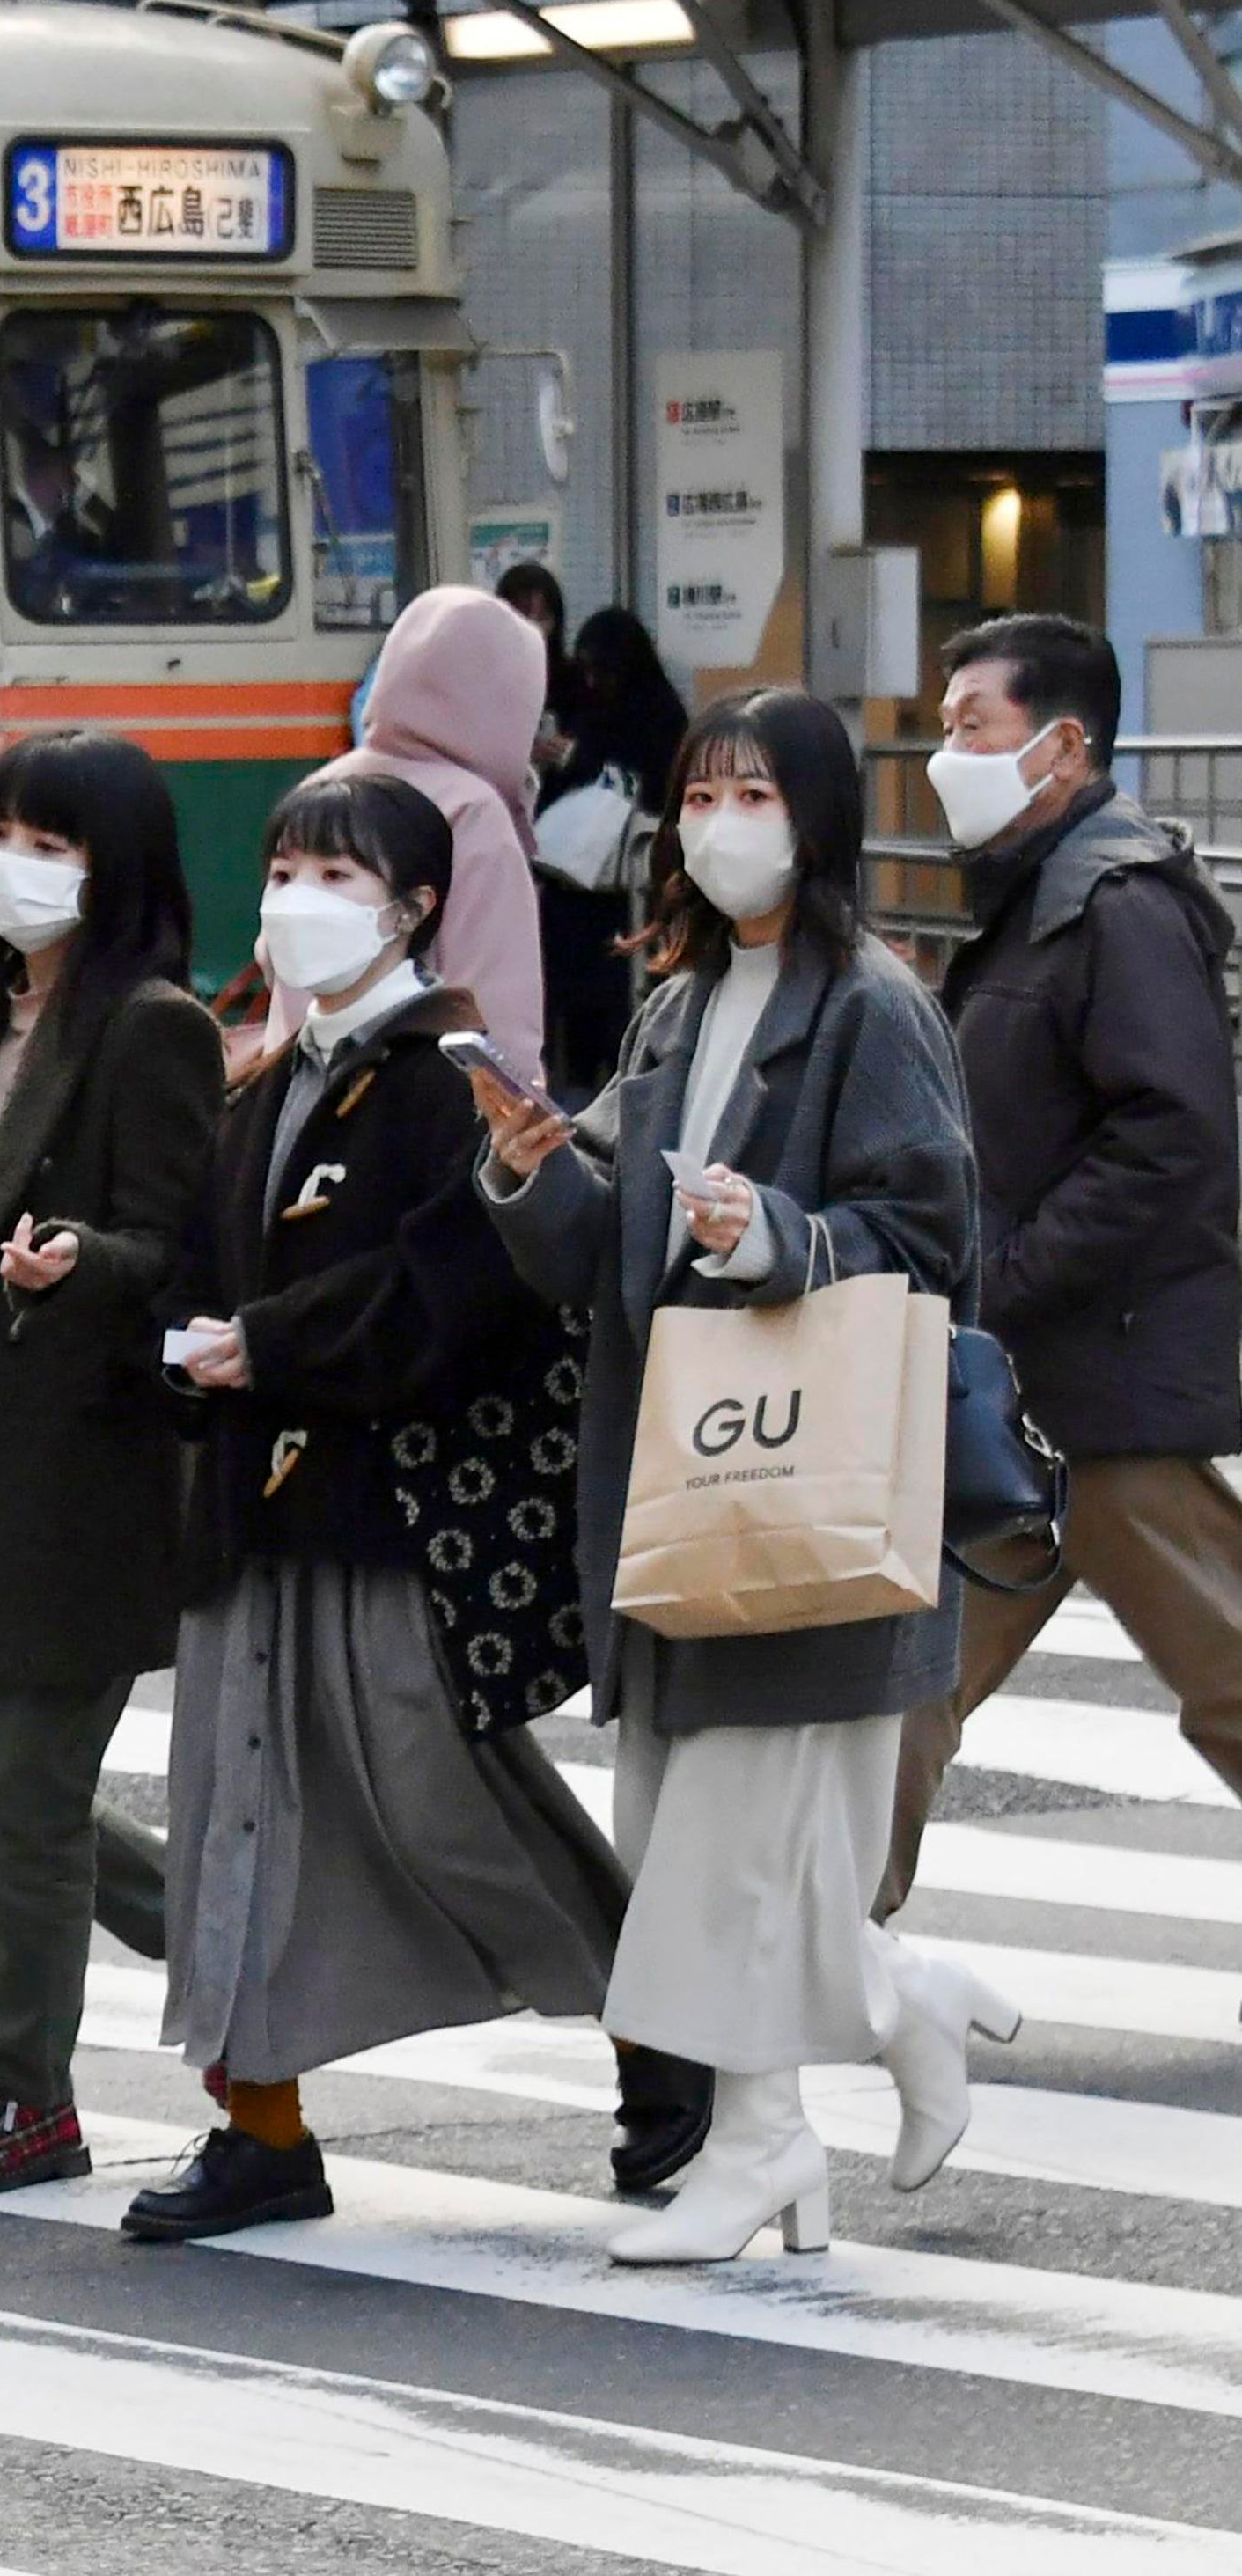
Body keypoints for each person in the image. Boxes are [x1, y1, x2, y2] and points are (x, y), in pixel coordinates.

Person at [476, 687, 1011, 2264]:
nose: (716, 823)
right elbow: (604, 1259)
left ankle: (764, 2137)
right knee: (692, 1840)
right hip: (687, 1488)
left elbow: (930, 1241)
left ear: (818, 818)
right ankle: (898, 2000)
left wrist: (776, 1234)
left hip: (801, 1486)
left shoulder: (873, 1007)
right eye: (701, 794)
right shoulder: (672, 1008)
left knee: (716, 1856)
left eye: (753, 793)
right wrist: (527, 1163)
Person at [135, 772, 667, 2242]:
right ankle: (258, 2124)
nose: (297, 894)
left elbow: (464, 1281)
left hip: (396, 1515)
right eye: (284, 860)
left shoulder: (455, 1075)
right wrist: (186, 1335)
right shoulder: (268, 1070)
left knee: (447, 1803)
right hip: (257, 1503)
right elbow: (202, 1253)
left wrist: (277, 1343)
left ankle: (661, 2031)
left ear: (415, 904)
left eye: (334, 870)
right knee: (232, 1806)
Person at [0, 730, 221, 2201]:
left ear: (119, 865)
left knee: (18, 1789)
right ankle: (235, 1937)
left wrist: (85, 1259)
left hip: (85, 1477)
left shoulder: (148, 1024)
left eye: (55, 840)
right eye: (1, 828)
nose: (15, 862)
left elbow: (184, 1245)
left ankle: (29, 2096)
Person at [886, 617, 1242, 1898]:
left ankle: (806, 1958)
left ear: (1064, 744)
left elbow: (1177, 1139)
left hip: (1105, 1391)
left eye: (972, 724)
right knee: (904, 1684)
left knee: (1230, 1682)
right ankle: (807, 1962)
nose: (945, 754)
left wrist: (1014, 1274)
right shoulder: (1033, 900)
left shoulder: (1118, 903)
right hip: (1022, 1388)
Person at [282, 585, 550, 1083]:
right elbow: (494, 1007)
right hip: (421, 1108)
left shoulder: (325, 788)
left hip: (306, 1089)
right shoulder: (473, 810)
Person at [539, 607, 691, 1097]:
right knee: (583, 1006)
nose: (593, 680)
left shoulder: (656, 714)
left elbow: (654, 782)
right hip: (583, 888)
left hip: (627, 887)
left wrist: (574, 758)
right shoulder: (599, 709)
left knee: (616, 1005)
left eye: (600, 669)